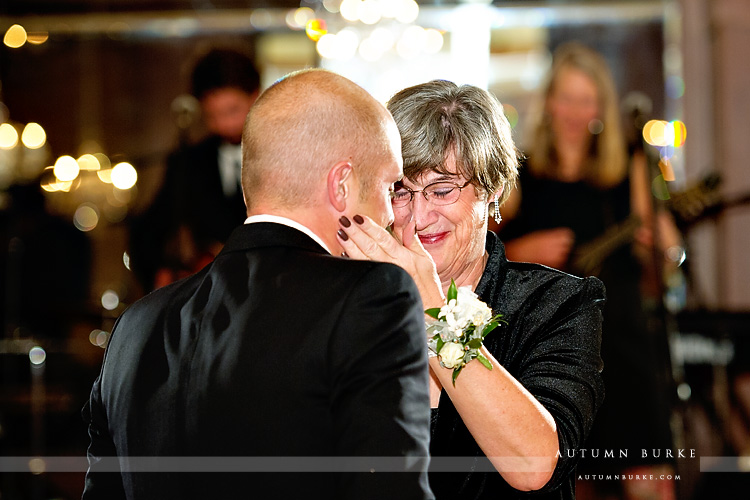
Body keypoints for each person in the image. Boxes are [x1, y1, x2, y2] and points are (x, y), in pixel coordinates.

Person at [82, 69, 433, 500]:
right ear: (341, 184)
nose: (393, 212)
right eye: (390, 184)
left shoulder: (135, 327)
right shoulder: (372, 295)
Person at [336, 80, 605, 500]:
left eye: (442, 190)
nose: (420, 216)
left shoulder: (556, 304)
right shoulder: (352, 304)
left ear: (491, 188)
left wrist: (433, 316)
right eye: (402, 191)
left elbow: (534, 466)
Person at [499, 43, 679, 500]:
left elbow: (667, 248)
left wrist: (661, 245)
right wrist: (522, 249)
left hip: (624, 342)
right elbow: (486, 253)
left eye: (587, 99)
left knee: (649, 479)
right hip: (556, 347)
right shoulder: (522, 172)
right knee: (573, 481)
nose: (576, 111)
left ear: (601, 106)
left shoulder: (626, 170)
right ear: (550, 102)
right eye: (567, 98)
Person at [130, 47, 260, 291]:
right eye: (213, 115)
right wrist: (161, 273)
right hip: (213, 292)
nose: (225, 124)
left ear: (256, 95)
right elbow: (148, 230)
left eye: (233, 110)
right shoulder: (189, 161)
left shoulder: (280, 154)